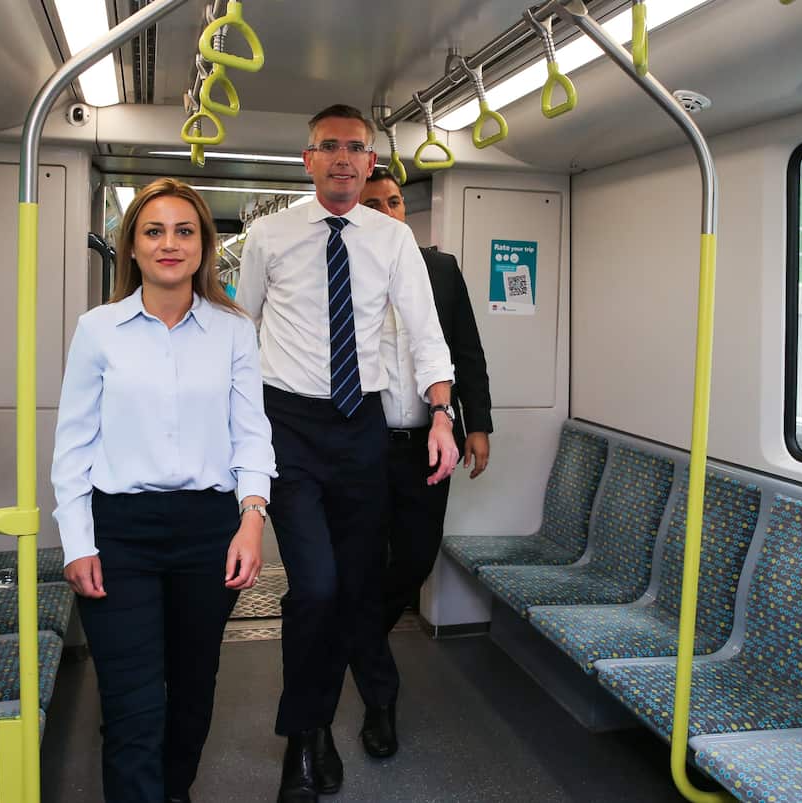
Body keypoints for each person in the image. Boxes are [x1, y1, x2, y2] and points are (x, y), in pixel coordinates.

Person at [236, 105, 459, 803]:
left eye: (354, 148)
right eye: (328, 146)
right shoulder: (266, 238)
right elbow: (241, 336)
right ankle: (303, 738)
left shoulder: (392, 240)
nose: (341, 157)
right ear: (308, 160)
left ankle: (316, 726)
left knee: (352, 588)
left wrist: (444, 414)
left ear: (370, 163)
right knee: (318, 587)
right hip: (290, 426)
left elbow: (426, 333)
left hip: (360, 423)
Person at [51, 178, 276, 803]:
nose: (169, 243)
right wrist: (77, 543)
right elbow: (73, 445)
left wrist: (251, 520)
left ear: (204, 246)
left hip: (208, 532)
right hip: (118, 533)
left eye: (184, 231)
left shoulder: (234, 331)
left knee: (193, 689)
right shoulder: (98, 330)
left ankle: (173, 790)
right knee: (132, 702)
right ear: (133, 246)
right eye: (154, 231)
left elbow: (251, 434)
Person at [349, 166, 493, 758]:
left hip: (427, 445)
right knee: (357, 565)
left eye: (393, 203)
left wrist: (477, 424)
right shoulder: (343, 272)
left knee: (413, 560)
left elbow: (467, 351)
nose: (387, 213)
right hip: (360, 448)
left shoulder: (441, 269)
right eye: (373, 205)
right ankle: (380, 701)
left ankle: (351, 640)